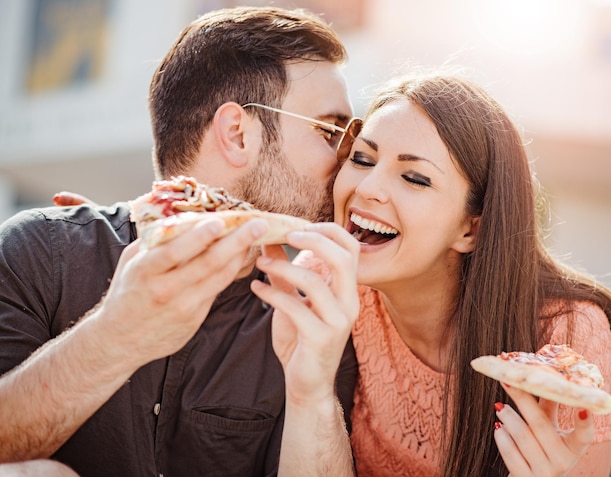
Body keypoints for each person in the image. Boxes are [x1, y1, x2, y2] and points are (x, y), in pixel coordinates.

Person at [0, 6, 360, 477]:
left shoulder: (314, 315)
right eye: (332, 131)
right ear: (237, 134)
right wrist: (116, 334)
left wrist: (313, 396)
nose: (348, 161)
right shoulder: (41, 254)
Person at [251, 69, 611, 476]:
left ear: (471, 229)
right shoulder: (322, 281)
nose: (368, 187)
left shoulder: (569, 339)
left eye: (415, 178)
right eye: (362, 158)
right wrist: (311, 394)